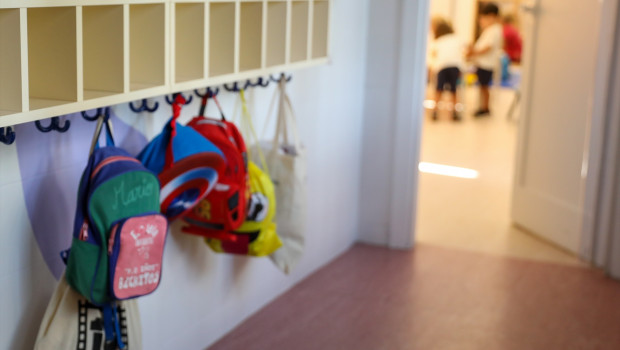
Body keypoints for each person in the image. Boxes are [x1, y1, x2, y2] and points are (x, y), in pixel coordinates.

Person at [467, 2, 503, 117]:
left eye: (484, 17)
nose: (482, 21)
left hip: (487, 64)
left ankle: (485, 107)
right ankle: (483, 106)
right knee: (482, 86)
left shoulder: (494, 30)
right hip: (483, 63)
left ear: (492, 16)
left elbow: (487, 47)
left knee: (484, 87)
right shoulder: (490, 30)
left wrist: (474, 52)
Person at [429, 18, 464, 121]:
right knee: (454, 90)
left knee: (439, 89)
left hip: (442, 67)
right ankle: (455, 112)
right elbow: (464, 50)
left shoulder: (438, 41)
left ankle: (435, 111)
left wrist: (432, 70)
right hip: (455, 67)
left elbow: (433, 56)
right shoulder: (456, 39)